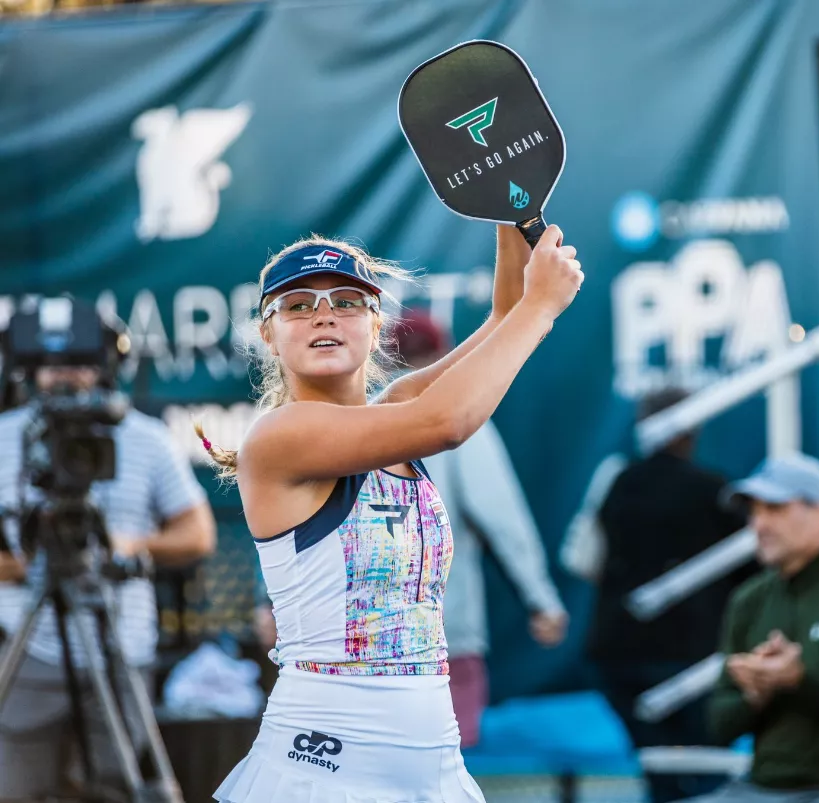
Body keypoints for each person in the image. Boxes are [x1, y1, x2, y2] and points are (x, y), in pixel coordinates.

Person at [199, 223, 582, 802]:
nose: (324, 315)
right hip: (322, 771)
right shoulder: (280, 436)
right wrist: (544, 308)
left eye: (347, 301)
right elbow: (448, 423)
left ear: (375, 323)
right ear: (269, 335)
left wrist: (508, 213)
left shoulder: (397, 406)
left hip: (433, 767)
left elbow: (504, 319)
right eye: (298, 304)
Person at [0, 363, 217, 799]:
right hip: (26, 646)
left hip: (120, 645)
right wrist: (18, 561)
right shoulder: (5, 435)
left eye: (81, 362)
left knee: (119, 788)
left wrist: (130, 545)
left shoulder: (146, 437)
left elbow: (198, 535)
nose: (65, 375)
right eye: (52, 363)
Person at [383, 310, 568, 748]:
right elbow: (503, 518)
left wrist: (268, 602)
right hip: (443, 634)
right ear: (443, 352)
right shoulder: (457, 416)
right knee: (441, 770)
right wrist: (542, 601)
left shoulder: (348, 418)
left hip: (362, 639)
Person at [681, 453, 819, 803]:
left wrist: (800, 680)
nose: (759, 524)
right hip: (758, 788)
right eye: (754, 512)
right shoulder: (748, 599)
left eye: (774, 509)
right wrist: (755, 695)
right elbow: (720, 724)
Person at [585, 387, 748, 803]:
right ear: (692, 428)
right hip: (692, 654)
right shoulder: (715, 490)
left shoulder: (619, 483)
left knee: (660, 774)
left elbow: (590, 562)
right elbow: (751, 572)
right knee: (706, 774)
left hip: (623, 652)